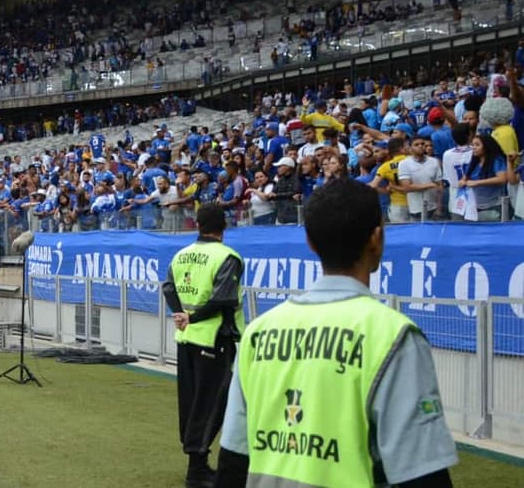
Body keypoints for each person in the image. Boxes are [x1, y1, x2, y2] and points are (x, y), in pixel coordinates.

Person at [216, 179, 457, 487]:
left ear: (310, 242)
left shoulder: (259, 331)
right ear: (377, 238)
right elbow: (422, 473)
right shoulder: (392, 336)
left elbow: (233, 458)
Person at [162, 204, 244, 488]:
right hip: (214, 339)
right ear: (224, 226)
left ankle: (197, 463)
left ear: (197, 225)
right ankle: (196, 468)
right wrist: (193, 317)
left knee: (191, 402)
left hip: (185, 339)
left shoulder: (181, 254)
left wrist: (181, 315)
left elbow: (168, 287)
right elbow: (224, 299)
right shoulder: (227, 256)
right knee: (212, 403)